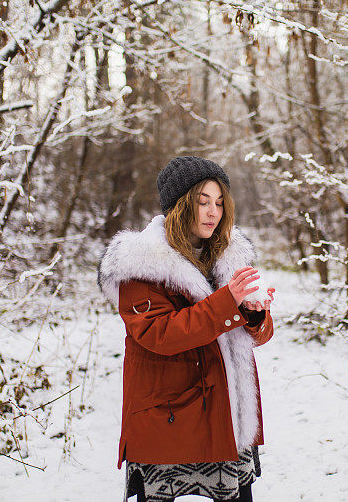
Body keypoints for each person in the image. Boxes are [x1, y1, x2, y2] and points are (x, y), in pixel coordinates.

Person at [98, 156, 275, 502]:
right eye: (203, 202)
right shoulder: (141, 263)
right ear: (179, 206)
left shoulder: (230, 256)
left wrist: (254, 315)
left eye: (220, 203)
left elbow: (259, 336)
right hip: (169, 416)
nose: (213, 212)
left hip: (226, 414)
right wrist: (227, 303)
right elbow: (159, 334)